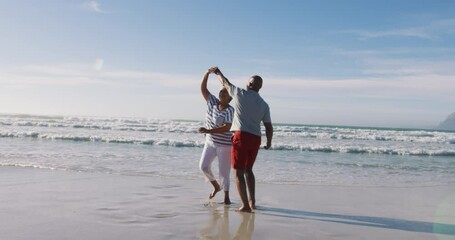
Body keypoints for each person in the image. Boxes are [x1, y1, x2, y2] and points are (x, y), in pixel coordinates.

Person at [214, 67, 273, 212]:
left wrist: (218, 73)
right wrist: (268, 142)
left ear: (250, 85)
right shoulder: (264, 104)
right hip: (256, 138)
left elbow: (226, 83)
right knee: (249, 170)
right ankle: (252, 202)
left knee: (238, 172)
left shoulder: (241, 94)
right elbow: (268, 126)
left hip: (242, 137)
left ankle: (245, 206)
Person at [198, 67, 234, 205]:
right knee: (203, 166)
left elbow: (226, 127)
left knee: (224, 173)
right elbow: (203, 89)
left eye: (225, 93)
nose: (222, 93)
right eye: (221, 91)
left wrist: (208, 131)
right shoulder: (212, 102)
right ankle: (216, 187)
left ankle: (226, 197)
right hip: (210, 142)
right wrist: (207, 73)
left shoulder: (230, 110)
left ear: (230, 98)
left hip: (224, 145)